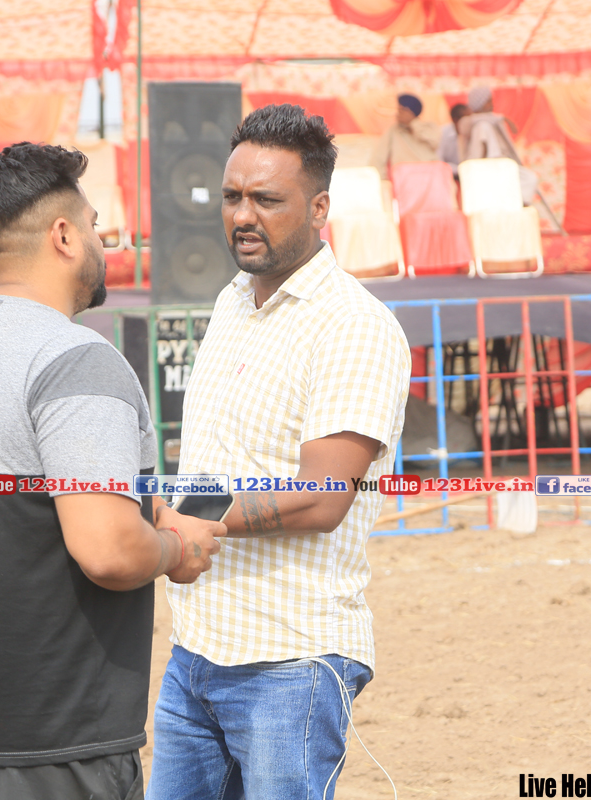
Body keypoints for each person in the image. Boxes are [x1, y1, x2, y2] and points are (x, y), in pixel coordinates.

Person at [0, 142, 224, 800]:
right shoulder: (74, 359)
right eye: (96, 225)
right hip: (56, 740)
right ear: (64, 236)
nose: (103, 241)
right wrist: (176, 549)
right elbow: (108, 550)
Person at [145, 104, 410, 800]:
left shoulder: (354, 325)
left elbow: (323, 499)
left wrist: (187, 520)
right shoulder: (232, 301)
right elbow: (215, 465)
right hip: (196, 649)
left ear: (319, 207)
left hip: (291, 659)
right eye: (232, 196)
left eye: (267, 199)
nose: (243, 216)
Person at [458, 85, 539, 204]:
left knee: (529, 178)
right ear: (480, 103)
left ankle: (518, 204)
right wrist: (502, 118)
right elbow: (481, 150)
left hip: (503, 164)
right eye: (488, 101)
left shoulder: (494, 120)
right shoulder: (478, 124)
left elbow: (513, 131)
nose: (491, 104)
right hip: (486, 165)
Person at [369, 93, 440, 174]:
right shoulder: (394, 130)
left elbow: (435, 143)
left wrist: (413, 123)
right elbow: (379, 157)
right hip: (404, 175)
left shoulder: (428, 126)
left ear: (411, 111)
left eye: (402, 110)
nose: (398, 113)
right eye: (398, 110)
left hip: (430, 174)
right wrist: (382, 178)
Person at [437, 102, 471, 177]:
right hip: (448, 176)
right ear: (455, 120)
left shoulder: (473, 131)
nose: (469, 122)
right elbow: (439, 161)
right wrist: (460, 170)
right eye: (466, 119)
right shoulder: (442, 134)